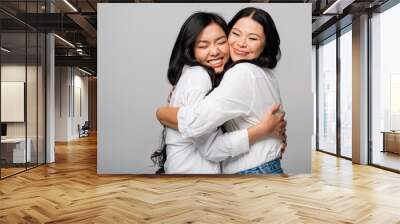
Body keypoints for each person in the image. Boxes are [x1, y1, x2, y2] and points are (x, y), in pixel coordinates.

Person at [151, 11, 286, 174]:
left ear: (266, 44)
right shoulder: (263, 74)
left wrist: (162, 113)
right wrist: (263, 130)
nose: (241, 43)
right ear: (190, 50)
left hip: (250, 171)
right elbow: (206, 138)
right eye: (236, 34)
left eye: (253, 38)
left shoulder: (241, 72)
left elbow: (204, 136)